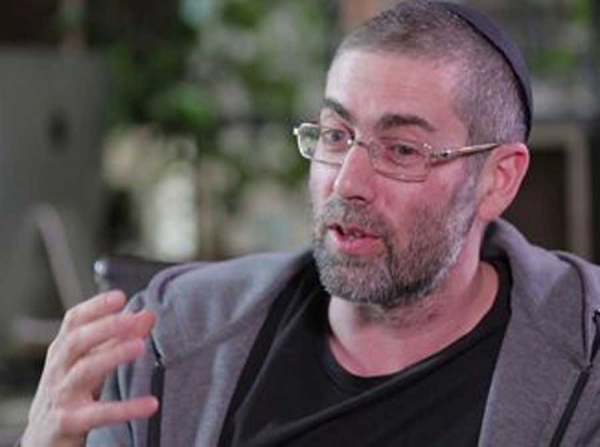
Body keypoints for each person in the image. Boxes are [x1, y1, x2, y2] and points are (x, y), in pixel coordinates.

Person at [20, 1, 600, 446]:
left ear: (498, 179)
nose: (347, 182)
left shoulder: (585, 363)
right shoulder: (170, 337)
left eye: (402, 150)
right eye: (335, 135)